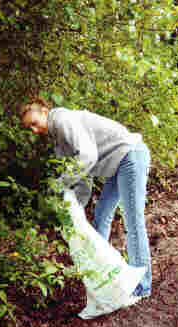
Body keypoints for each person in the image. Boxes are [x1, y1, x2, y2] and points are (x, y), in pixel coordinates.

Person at [20, 98, 152, 299]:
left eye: (35, 123)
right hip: (118, 163)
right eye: (30, 128)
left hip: (130, 155)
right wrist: (76, 208)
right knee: (101, 217)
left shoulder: (63, 120)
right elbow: (84, 175)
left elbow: (87, 157)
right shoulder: (58, 138)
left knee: (133, 223)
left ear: (45, 112)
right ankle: (102, 274)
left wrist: (60, 183)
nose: (34, 131)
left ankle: (142, 286)